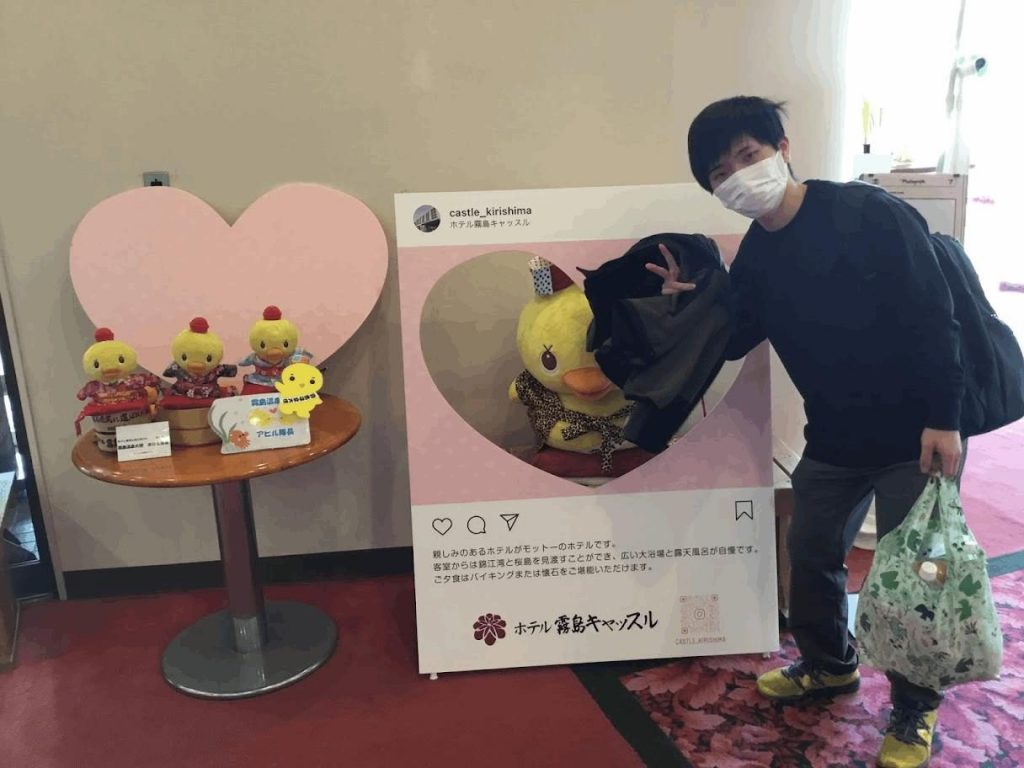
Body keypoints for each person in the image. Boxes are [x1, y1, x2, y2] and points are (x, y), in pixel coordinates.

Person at [648, 96, 965, 768]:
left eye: (748, 155)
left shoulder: (866, 213)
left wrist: (945, 417)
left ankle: (914, 707)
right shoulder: (757, 256)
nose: (738, 176)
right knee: (812, 553)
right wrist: (690, 303)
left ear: (783, 149)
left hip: (915, 435)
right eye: (720, 172)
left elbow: (934, 312)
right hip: (835, 439)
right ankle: (828, 664)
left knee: (917, 578)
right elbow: (735, 338)